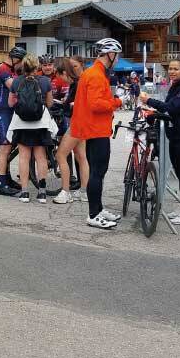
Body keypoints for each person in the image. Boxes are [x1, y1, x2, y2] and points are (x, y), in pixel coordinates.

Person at [70, 38, 124, 229]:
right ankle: (94, 214)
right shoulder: (95, 75)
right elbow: (96, 104)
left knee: (97, 172)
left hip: (93, 128)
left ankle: (98, 209)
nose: (117, 59)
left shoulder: (96, 72)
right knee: (97, 173)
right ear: (110, 54)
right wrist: (117, 102)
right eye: (117, 56)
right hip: (96, 129)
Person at [140, 60, 180, 225]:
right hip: (176, 135)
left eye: (176, 69)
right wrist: (153, 114)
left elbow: (173, 108)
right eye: (170, 69)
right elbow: (168, 110)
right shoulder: (177, 85)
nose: (172, 71)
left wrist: (149, 101)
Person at [7, 54, 57, 203]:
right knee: (41, 157)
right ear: (37, 67)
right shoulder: (45, 81)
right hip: (40, 124)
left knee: (24, 157)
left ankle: (24, 192)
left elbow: (10, 103)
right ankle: (42, 192)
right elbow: (49, 104)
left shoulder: (16, 81)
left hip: (22, 124)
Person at [53, 57, 90, 204]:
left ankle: (65, 191)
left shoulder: (77, 84)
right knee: (81, 157)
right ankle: (84, 191)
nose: (62, 81)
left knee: (60, 155)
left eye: (59, 76)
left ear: (64, 73)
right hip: (82, 123)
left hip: (77, 123)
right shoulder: (79, 82)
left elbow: (74, 106)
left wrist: (65, 105)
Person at [0, 45, 27, 196]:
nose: (21, 65)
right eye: (21, 62)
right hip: (1, 111)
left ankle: (7, 179)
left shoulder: (11, 69)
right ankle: (2, 185)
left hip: (9, 111)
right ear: (15, 59)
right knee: (5, 147)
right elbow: (12, 86)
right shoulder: (3, 69)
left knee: (10, 145)